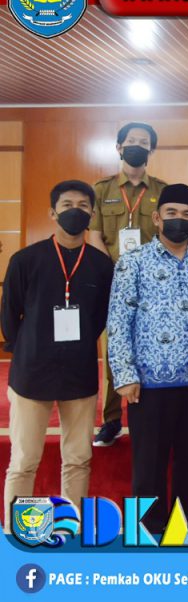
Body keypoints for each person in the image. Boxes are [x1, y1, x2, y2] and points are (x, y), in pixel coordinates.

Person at [107, 184, 188, 535]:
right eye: (171, 213)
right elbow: (118, 321)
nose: (179, 219)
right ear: (157, 219)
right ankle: (147, 533)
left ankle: (184, 531)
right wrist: (125, 374)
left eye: (186, 214)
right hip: (149, 383)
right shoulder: (133, 262)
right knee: (149, 465)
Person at [2, 181, 114, 529]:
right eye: (67, 205)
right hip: (32, 372)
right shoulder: (25, 260)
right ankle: (21, 534)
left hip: (79, 372)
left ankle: (71, 529)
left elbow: (100, 317)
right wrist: (31, 347)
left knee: (78, 459)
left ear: (92, 214)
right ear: (53, 212)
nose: (75, 211)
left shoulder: (101, 265)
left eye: (83, 205)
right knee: (24, 461)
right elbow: (10, 316)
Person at [88, 122, 167, 447]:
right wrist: (114, 273)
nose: (137, 145)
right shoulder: (102, 189)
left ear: (151, 149)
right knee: (114, 351)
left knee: (154, 347)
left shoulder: (162, 190)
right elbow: (95, 235)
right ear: (119, 147)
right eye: (131, 141)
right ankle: (111, 420)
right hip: (112, 282)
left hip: (152, 284)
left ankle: (151, 413)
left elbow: (166, 237)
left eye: (143, 142)